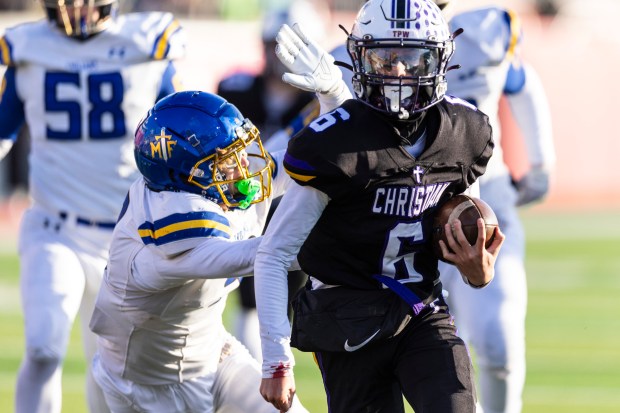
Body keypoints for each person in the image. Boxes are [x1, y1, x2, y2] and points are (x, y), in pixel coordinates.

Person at [254, 1, 506, 411]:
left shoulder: (465, 131)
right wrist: (276, 360)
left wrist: (478, 271)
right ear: (360, 58)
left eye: (412, 58)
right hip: (345, 316)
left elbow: (466, 222)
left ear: (440, 60)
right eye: (385, 58)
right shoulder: (335, 144)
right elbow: (273, 253)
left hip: (420, 309)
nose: (400, 72)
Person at [0, 1, 186, 412]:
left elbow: (178, 132)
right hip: (54, 224)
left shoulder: (145, 44)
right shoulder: (29, 47)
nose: (75, 9)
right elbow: (2, 130)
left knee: (110, 368)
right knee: (43, 348)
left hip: (124, 234)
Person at [88, 90, 314, 413]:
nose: (240, 169)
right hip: (145, 388)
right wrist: (345, 241)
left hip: (212, 354)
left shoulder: (204, 191)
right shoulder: (168, 235)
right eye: (224, 163)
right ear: (185, 176)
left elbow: (294, 164)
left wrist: (334, 100)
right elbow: (270, 253)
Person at [434, 2, 556, 413]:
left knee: (498, 341)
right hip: (410, 203)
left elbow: (519, 81)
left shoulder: (487, 28)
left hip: (486, 195)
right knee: (435, 352)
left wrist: (541, 163)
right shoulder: (378, 36)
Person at [215, 0, 326, 362]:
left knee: (290, 299)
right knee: (243, 297)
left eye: (291, 49)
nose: (281, 58)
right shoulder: (235, 91)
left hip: (299, 209)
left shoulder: (319, 101)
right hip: (242, 207)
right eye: (274, 47)